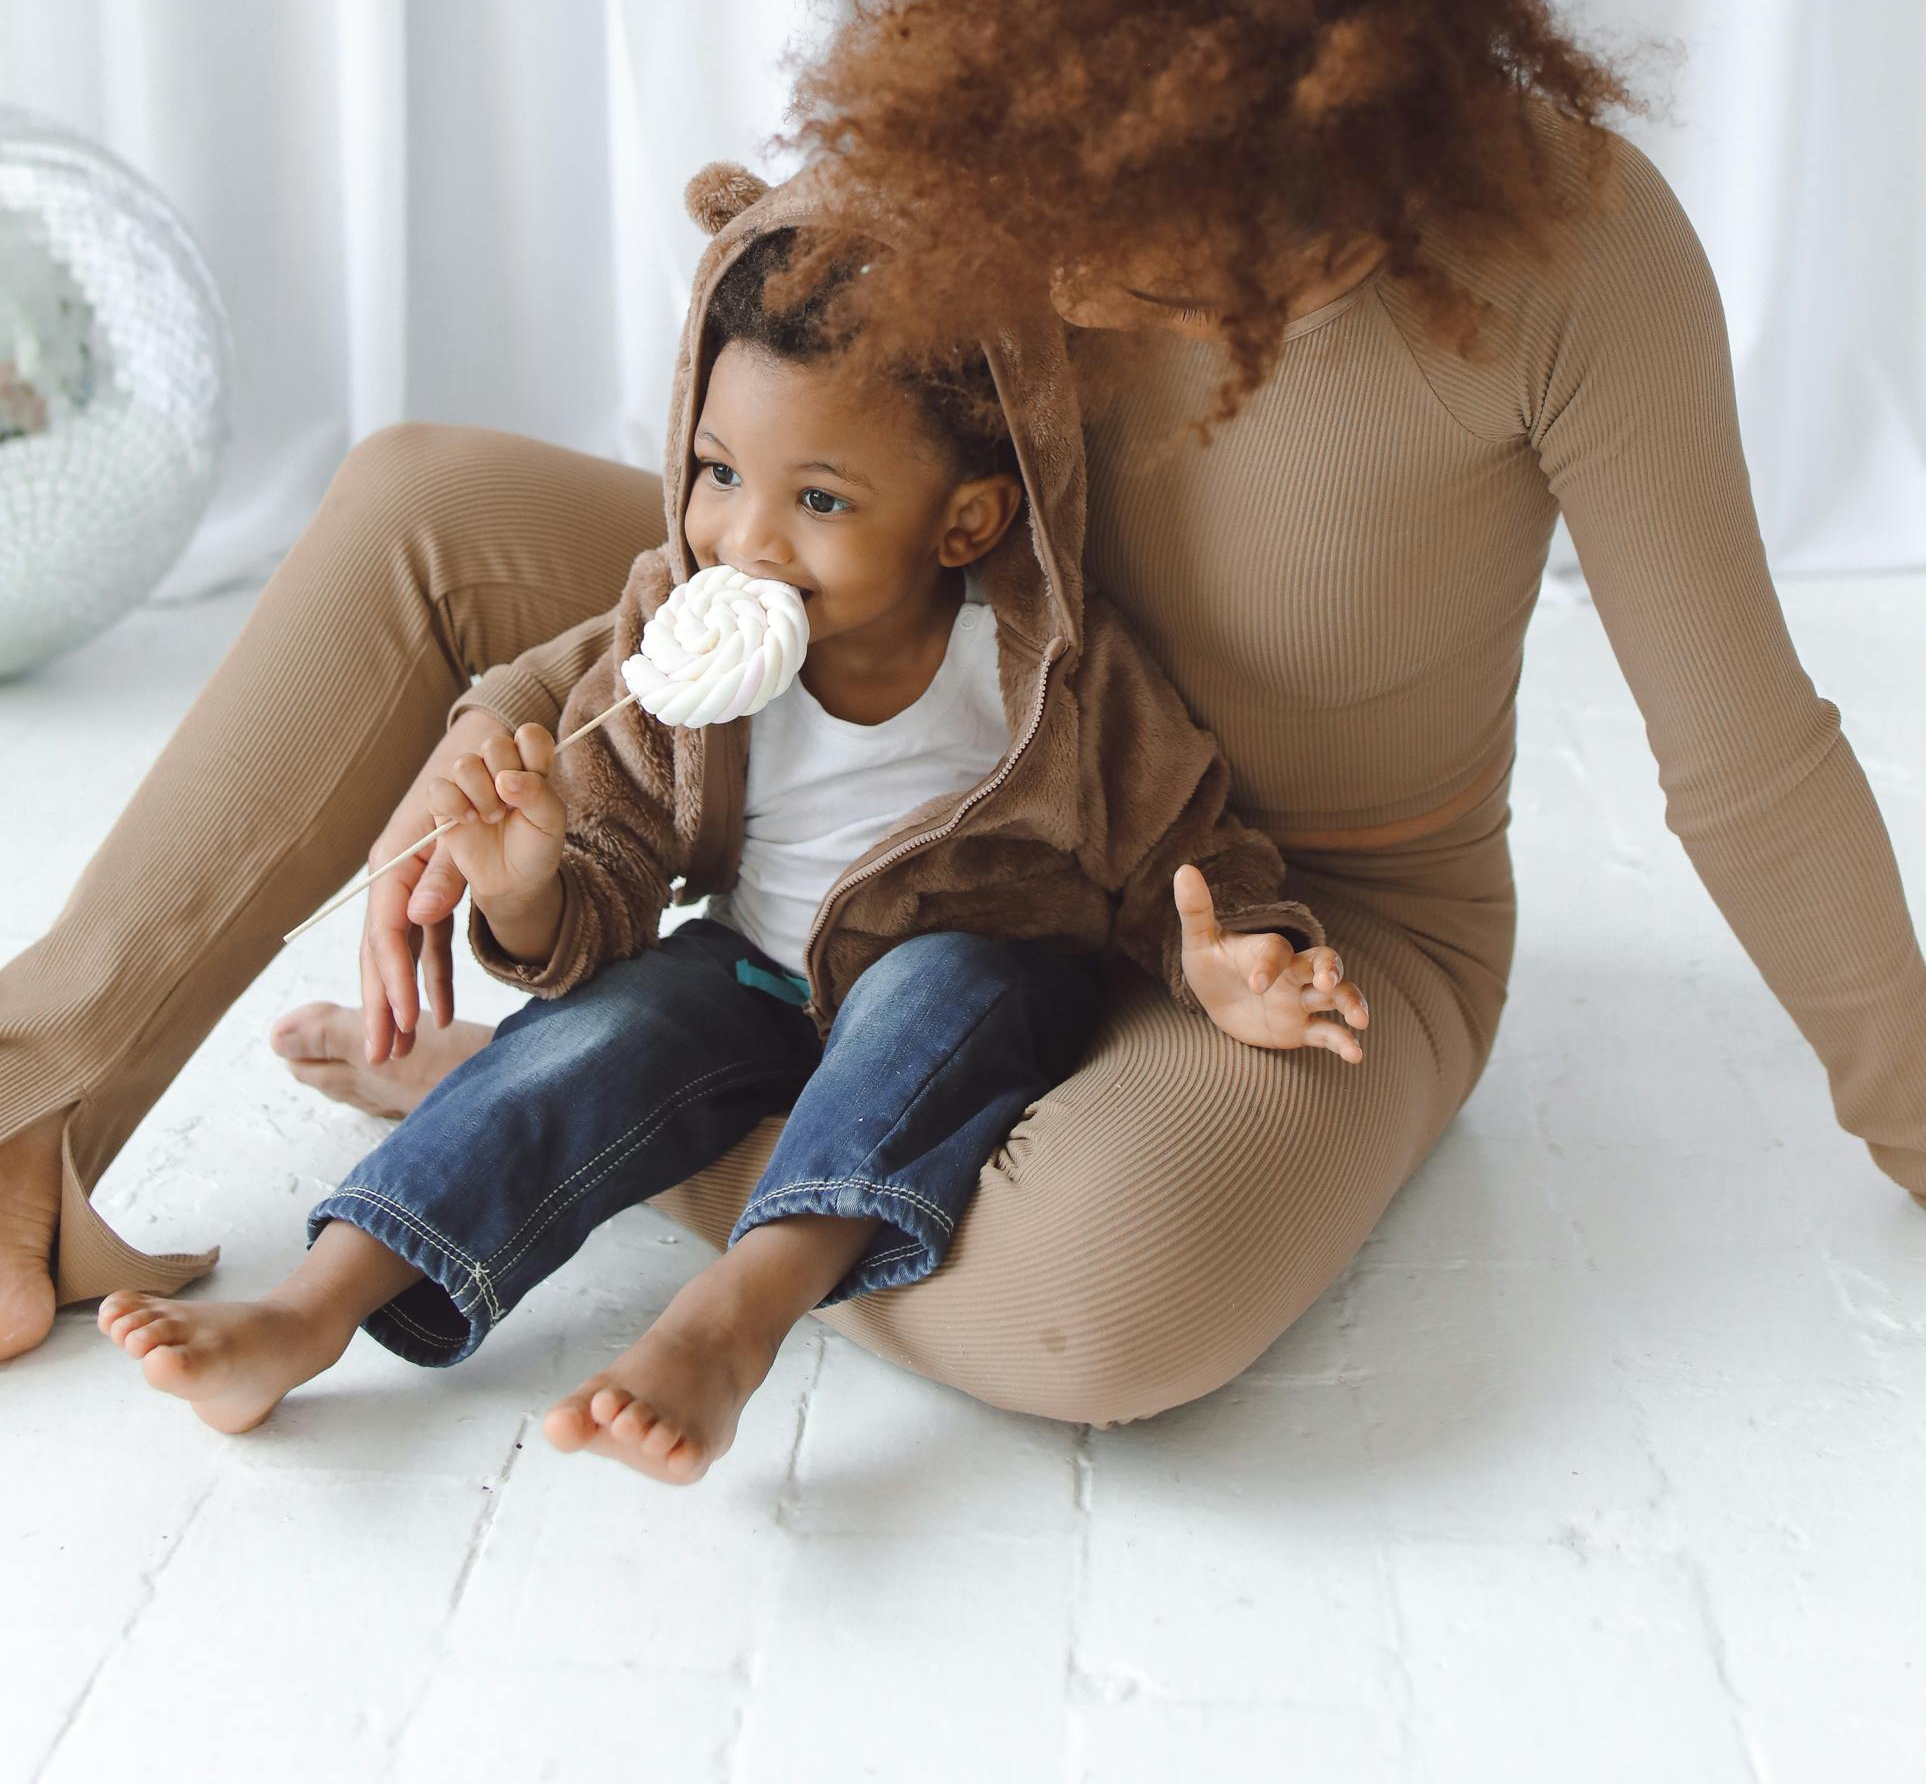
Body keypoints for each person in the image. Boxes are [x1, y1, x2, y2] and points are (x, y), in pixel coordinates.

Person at [3, 0, 1926, 1414]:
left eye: (1151, 197)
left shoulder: (1570, 250)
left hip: (1274, 915)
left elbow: (1745, 762)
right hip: (914, 705)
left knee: (1094, 1311)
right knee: (420, 496)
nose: (1067, 255)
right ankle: (28, 1120)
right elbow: (734, 510)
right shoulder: (1010, 131)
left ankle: (548, 1114)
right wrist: (525, 736)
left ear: (1336, 100)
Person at [94, 187, 1360, 1477]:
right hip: (752, 966)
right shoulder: (673, 634)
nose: (744, 538)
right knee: (599, 1033)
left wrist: (1231, 951)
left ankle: (725, 1326)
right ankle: (310, 1309)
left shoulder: (1045, 672)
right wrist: (531, 886)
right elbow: (611, 887)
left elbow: (1183, 848)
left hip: (967, 970)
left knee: (948, 984)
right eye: (717, 473)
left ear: (964, 522)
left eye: (818, 497)